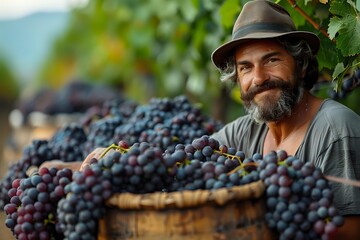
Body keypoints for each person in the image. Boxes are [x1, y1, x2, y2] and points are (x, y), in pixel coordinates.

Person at [210, 0, 360, 238]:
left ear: (300, 65)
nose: (258, 78)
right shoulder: (241, 134)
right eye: (246, 68)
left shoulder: (335, 129)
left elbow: (348, 232)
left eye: (272, 60)